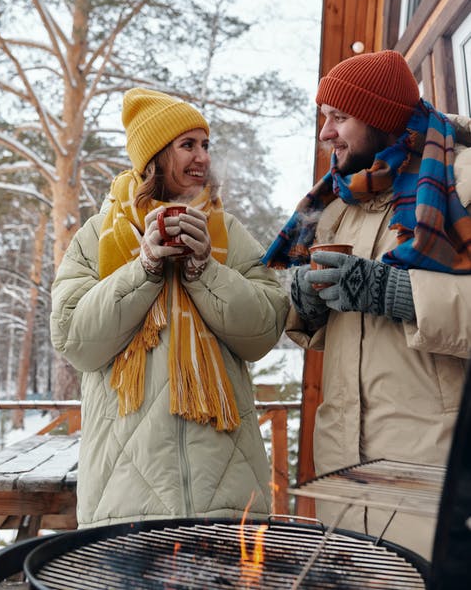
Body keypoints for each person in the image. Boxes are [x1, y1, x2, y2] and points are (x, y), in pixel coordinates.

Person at [264, 50, 471, 559]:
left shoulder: (460, 180)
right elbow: (334, 326)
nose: (325, 134)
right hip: (342, 467)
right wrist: (306, 306)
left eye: (340, 118)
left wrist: (398, 293)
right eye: (324, 118)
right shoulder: (336, 205)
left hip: (430, 467)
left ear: (381, 119)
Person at [50, 87, 289, 529]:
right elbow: (75, 340)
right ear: (156, 156)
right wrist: (143, 268)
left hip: (227, 499)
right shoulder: (96, 235)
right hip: (122, 498)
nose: (202, 157)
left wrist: (205, 270)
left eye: (206, 145)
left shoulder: (228, 233)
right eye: (188, 145)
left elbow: (264, 331)